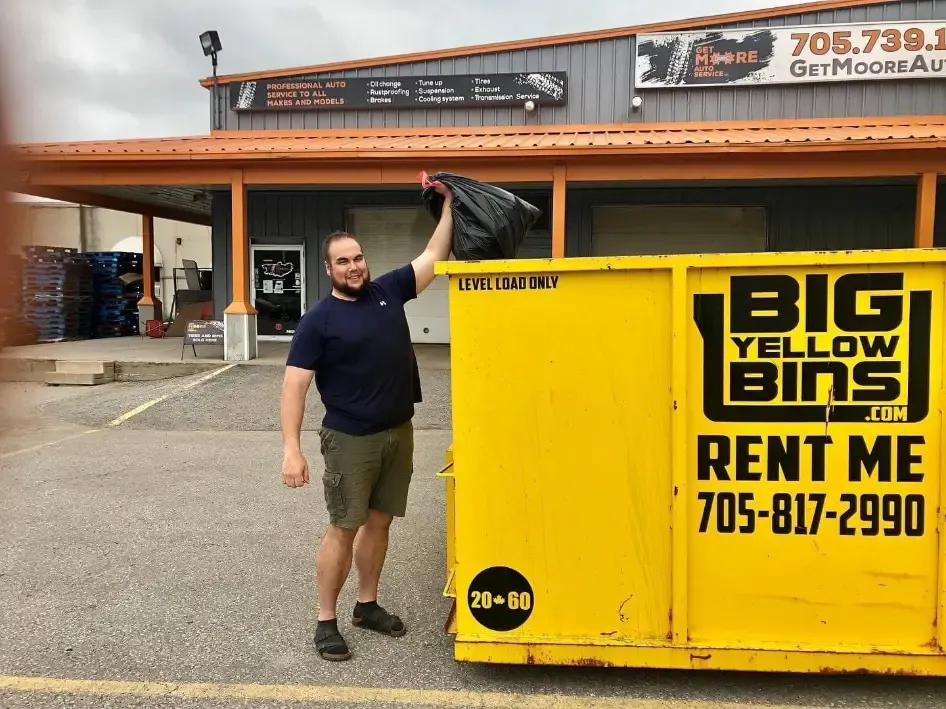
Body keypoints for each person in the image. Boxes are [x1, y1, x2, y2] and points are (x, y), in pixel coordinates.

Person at [279, 183, 453, 662]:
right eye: (343, 262)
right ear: (328, 269)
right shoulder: (319, 320)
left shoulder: (388, 291)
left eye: (357, 258)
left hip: (399, 431)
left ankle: (367, 605)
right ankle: (325, 621)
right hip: (350, 439)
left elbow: (435, 253)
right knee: (344, 526)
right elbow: (295, 386)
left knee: (380, 524)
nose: (353, 267)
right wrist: (291, 449)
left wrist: (450, 204)